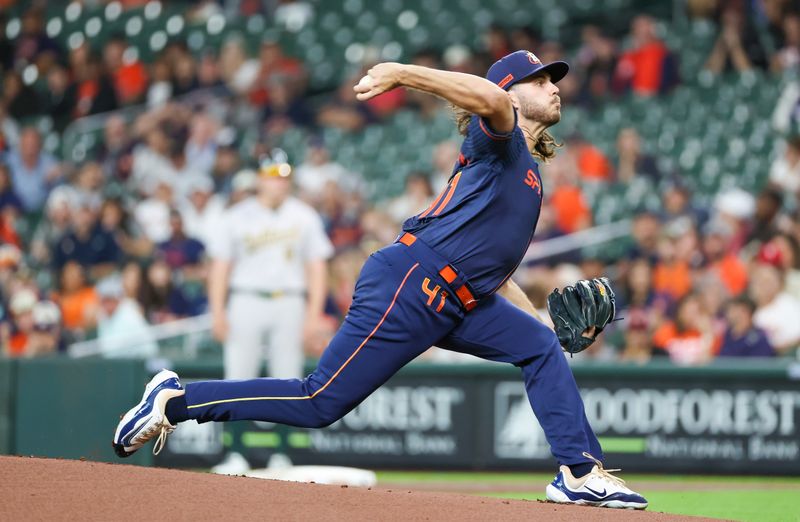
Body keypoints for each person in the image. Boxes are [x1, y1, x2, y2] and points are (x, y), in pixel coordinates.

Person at [113, 51, 648, 509]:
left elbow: (495, 276)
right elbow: (486, 98)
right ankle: (176, 400)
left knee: (539, 347)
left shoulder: (526, 174)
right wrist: (401, 71)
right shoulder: (501, 134)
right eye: (540, 80)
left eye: (553, 80)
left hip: (457, 296)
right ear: (509, 92)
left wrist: (542, 328)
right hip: (411, 281)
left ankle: (578, 474)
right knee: (319, 401)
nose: (554, 88)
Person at [205, 149, 334, 474]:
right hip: (245, 298)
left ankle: (282, 453)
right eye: (274, 177)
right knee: (237, 376)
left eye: (284, 177)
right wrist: (217, 311)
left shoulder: (304, 215)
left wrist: (314, 315)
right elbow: (219, 268)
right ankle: (234, 452)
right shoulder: (236, 215)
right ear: (260, 178)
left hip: (290, 300)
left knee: (288, 378)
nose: (279, 184)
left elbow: (317, 268)